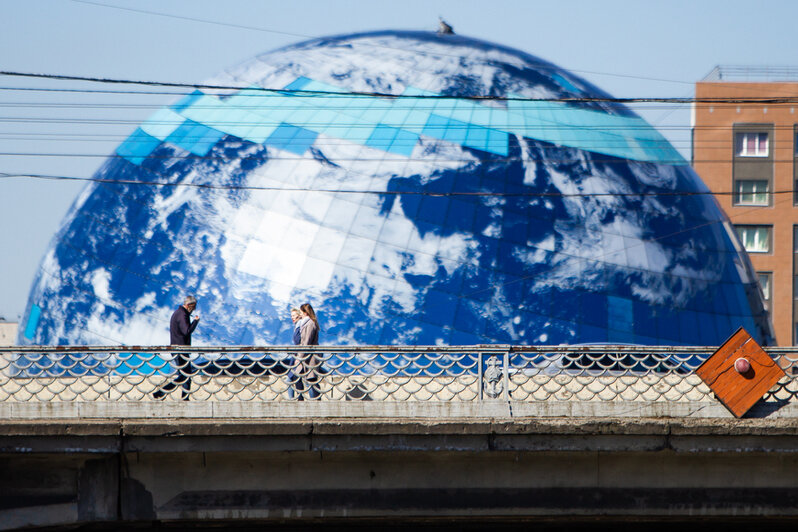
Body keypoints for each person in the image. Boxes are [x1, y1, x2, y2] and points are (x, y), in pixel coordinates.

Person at [153, 295, 200, 400]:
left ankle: (182, 398)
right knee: (185, 375)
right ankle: (162, 393)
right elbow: (186, 331)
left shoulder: (178, 313)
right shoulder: (182, 314)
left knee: (185, 376)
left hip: (178, 350)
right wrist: (196, 321)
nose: (194, 310)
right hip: (180, 350)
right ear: (189, 305)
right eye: (193, 307)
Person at [293, 303, 321, 400]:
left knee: (311, 381)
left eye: (301, 312)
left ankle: (316, 403)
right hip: (305, 357)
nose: (300, 314)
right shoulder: (305, 323)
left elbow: (306, 342)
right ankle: (301, 400)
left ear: (305, 313)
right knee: (297, 377)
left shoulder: (310, 324)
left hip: (309, 357)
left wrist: (299, 357)